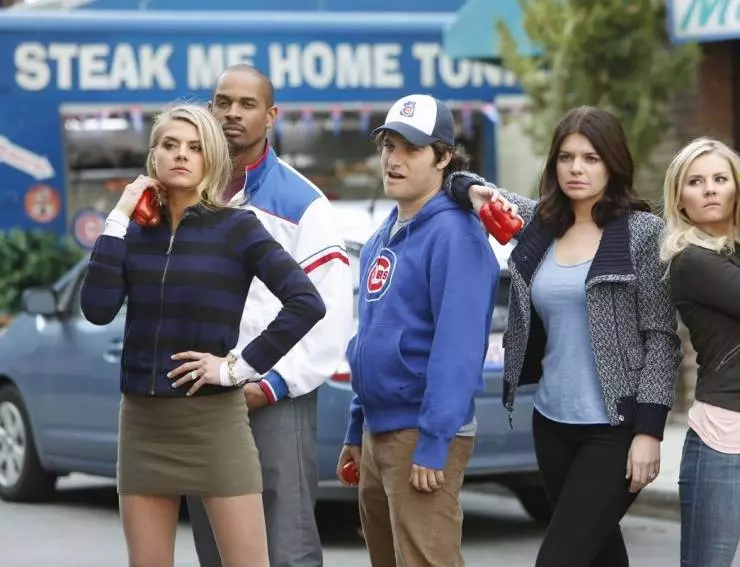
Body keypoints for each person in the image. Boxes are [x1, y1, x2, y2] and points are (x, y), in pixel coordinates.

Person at [80, 104, 326, 567]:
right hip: (142, 424)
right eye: (170, 145)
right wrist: (119, 215)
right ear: (153, 155)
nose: (181, 155)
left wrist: (238, 367)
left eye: (194, 147)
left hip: (214, 423)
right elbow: (97, 309)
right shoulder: (132, 231)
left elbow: (306, 301)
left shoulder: (236, 227)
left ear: (210, 159)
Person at [444, 106, 683, 567]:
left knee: (559, 558)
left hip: (615, 429)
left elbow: (661, 338)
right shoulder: (540, 223)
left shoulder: (642, 233)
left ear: (613, 163)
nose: (577, 168)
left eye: (591, 158)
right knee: (599, 554)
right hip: (551, 423)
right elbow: (457, 181)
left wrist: (649, 431)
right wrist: (473, 193)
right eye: (566, 157)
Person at [186, 64, 354, 567]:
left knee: (284, 545)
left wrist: (271, 385)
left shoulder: (303, 204)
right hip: (202, 394)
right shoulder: (189, 194)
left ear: (271, 115)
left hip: (273, 396)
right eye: (223, 102)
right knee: (215, 547)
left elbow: (329, 314)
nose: (232, 113)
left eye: (247, 104)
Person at [336, 94, 499, 567]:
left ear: (443, 157)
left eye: (411, 148)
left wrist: (434, 441)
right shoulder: (381, 236)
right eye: (389, 145)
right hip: (378, 429)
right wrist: (356, 425)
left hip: (422, 432)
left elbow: (458, 348)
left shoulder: (457, 234)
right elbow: (369, 337)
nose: (394, 159)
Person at [660, 137, 740, 567]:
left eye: (720, 179)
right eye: (695, 181)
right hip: (725, 438)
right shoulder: (692, 261)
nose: (709, 189)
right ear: (680, 198)